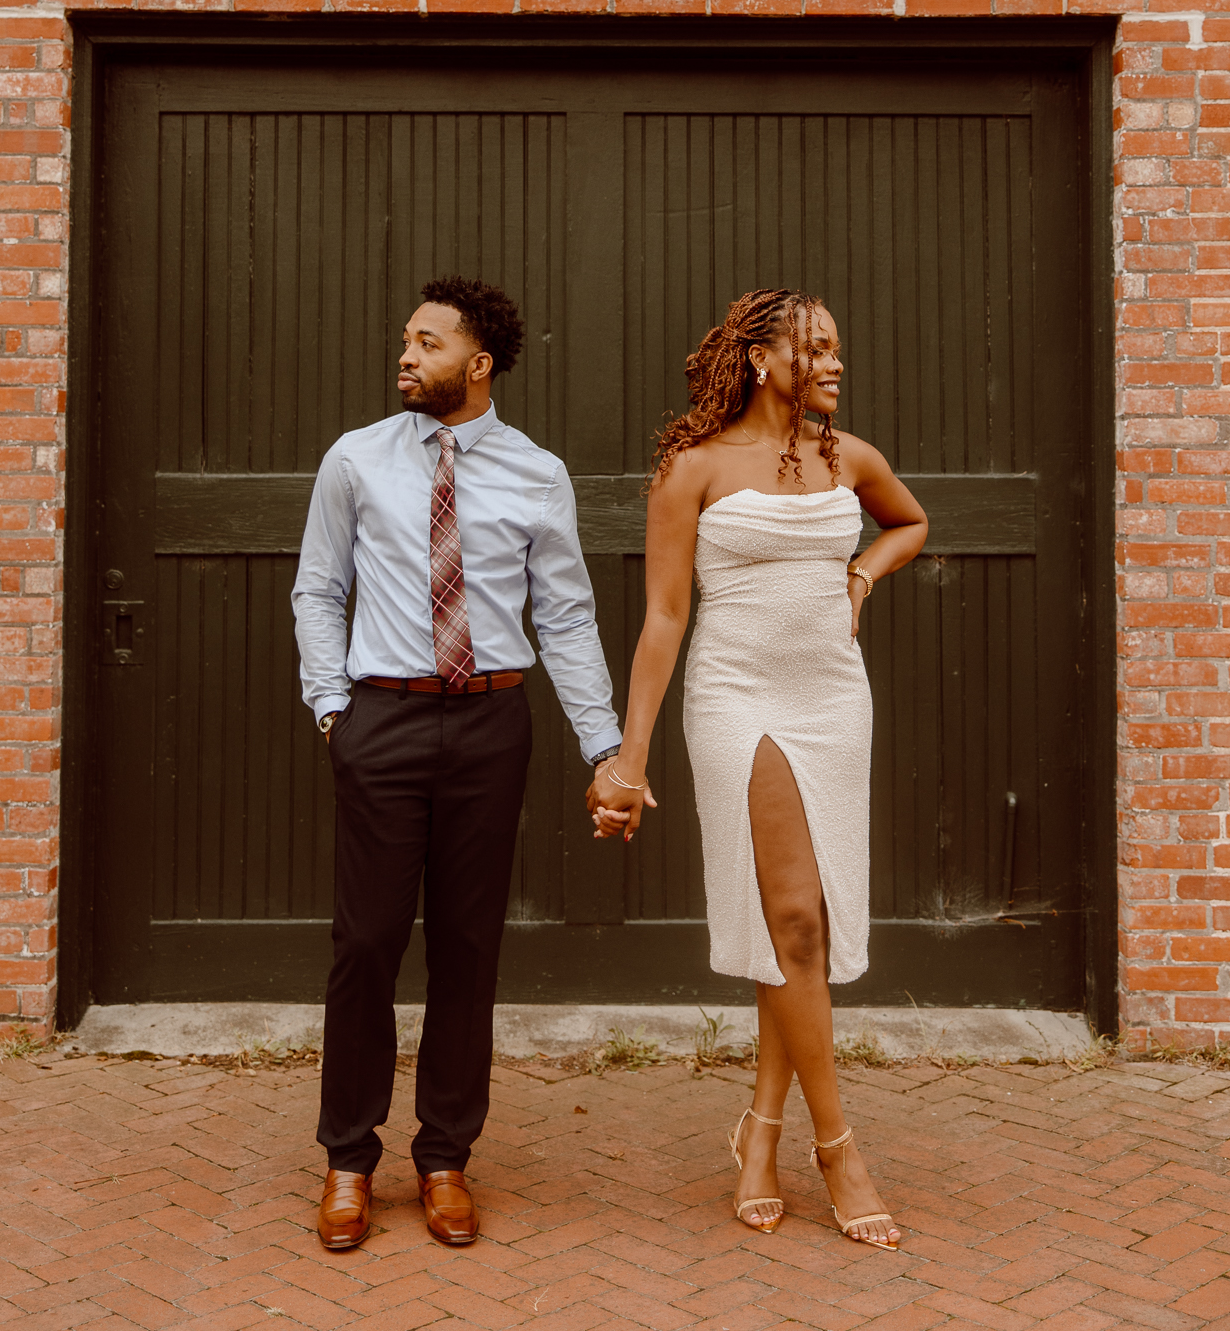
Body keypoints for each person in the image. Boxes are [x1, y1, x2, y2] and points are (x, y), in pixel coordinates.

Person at [293, 276, 626, 1252]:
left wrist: (602, 743)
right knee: (366, 943)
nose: (407, 353)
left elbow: (564, 614)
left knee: (468, 947)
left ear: (477, 364)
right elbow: (319, 588)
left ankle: (444, 1157)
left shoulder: (537, 472)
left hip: (491, 727)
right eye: (405, 337)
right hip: (382, 721)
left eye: (428, 341)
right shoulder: (355, 459)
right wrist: (330, 707)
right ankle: (348, 1157)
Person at [591, 288, 927, 1249]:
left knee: (805, 928)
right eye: (813, 348)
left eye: (835, 349)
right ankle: (838, 1145)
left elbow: (908, 523)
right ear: (757, 359)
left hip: (832, 699)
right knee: (788, 918)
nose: (831, 364)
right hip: (738, 700)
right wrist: (629, 754)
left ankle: (760, 1131)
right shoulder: (691, 470)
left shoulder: (844, 456)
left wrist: (861, 574)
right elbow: (664, 617)